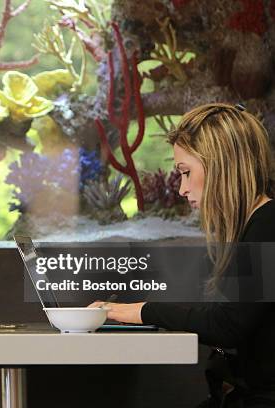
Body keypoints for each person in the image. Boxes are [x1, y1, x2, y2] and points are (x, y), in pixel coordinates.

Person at [91, 103, 275, 407]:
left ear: (222, 166)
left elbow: (227, 326)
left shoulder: (267, 225)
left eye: (186, 172)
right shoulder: (256, 227)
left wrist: (140, 311)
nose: (182, 189)